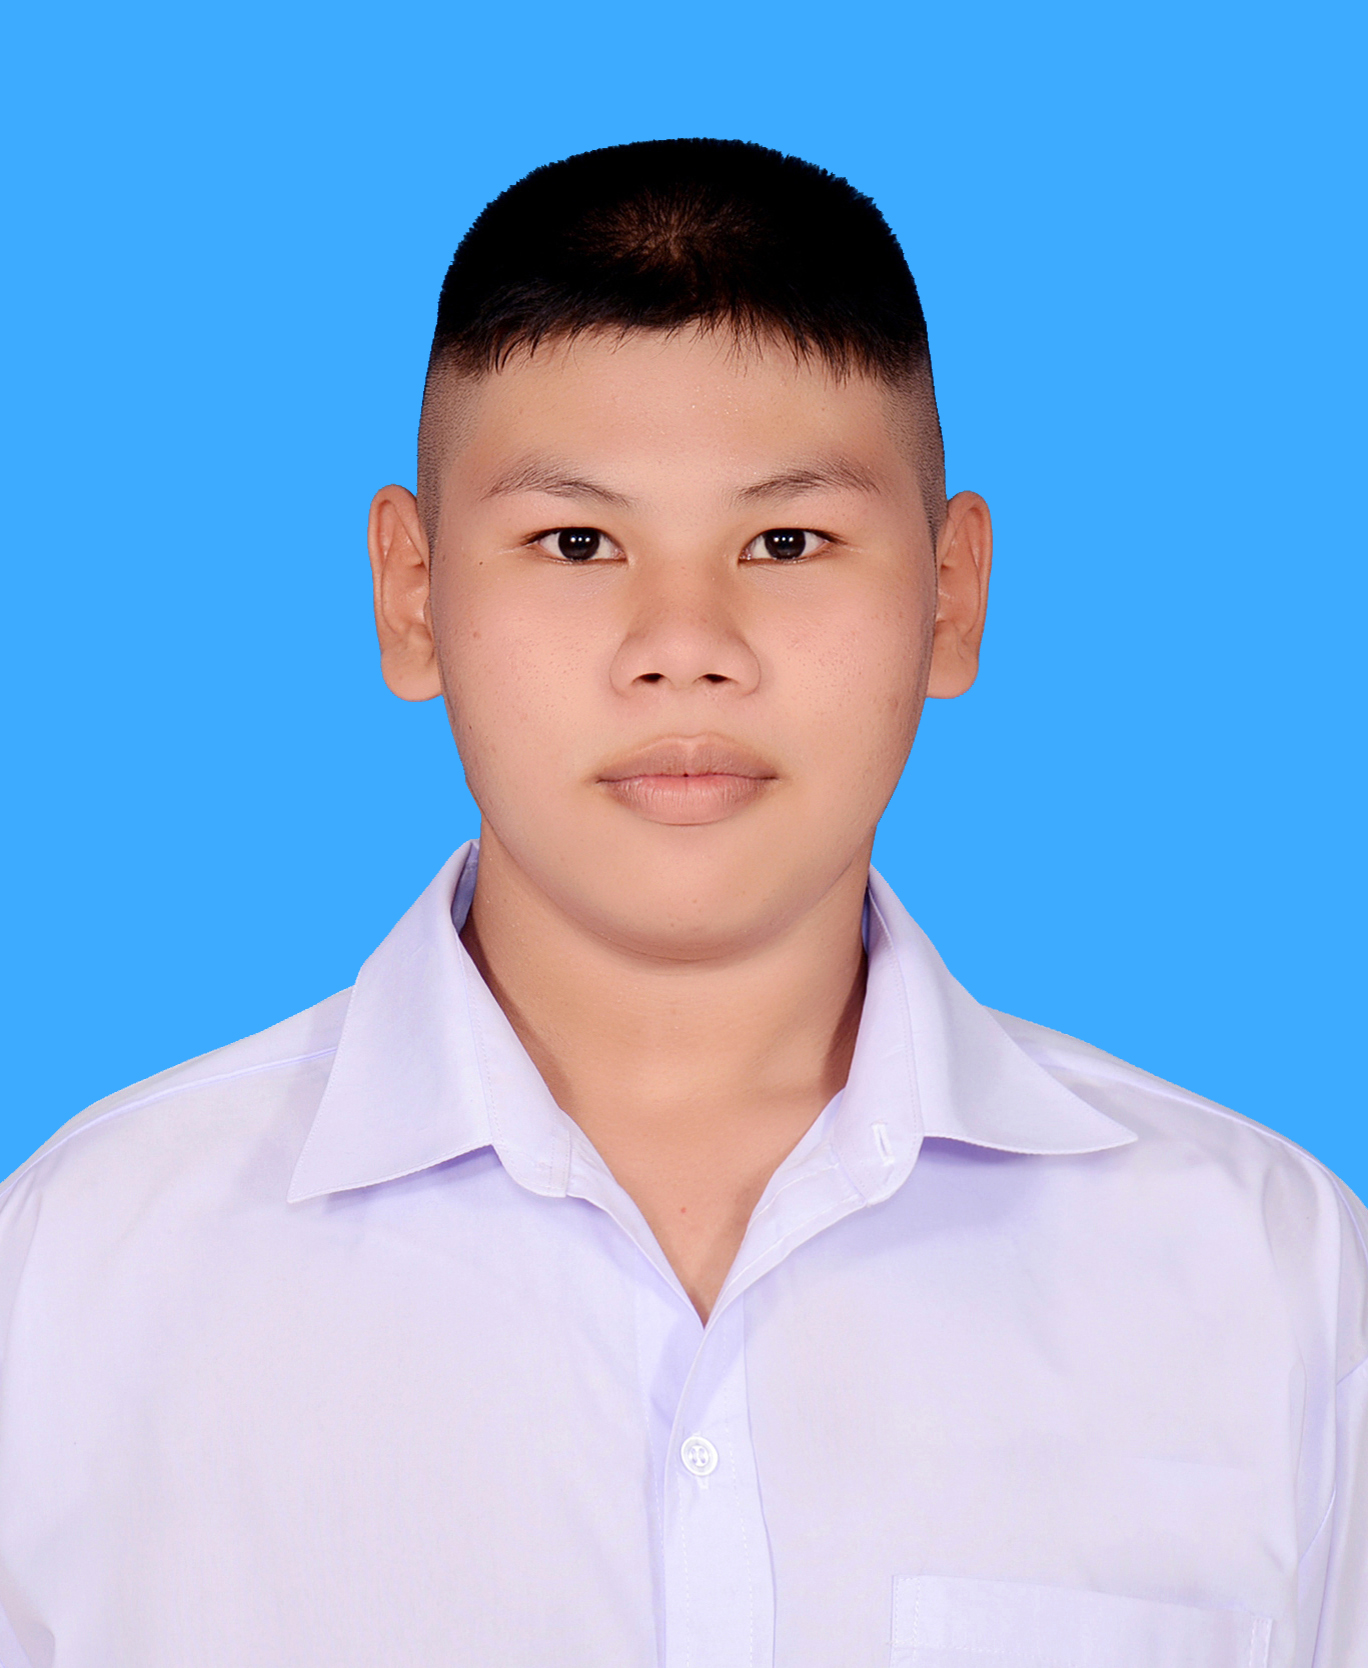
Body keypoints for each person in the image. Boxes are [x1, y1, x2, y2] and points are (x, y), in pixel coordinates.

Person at [0, 138, 1360, 1668]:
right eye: (578, 543)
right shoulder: (76, 1284)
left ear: (951, 593)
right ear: (413, 593)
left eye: (786, 542)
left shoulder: (1270, 1279)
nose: (685, 644)